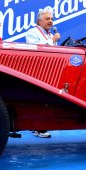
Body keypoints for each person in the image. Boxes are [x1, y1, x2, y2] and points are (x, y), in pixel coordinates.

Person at [25, 8, 60, 138]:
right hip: (37, 72)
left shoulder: (51, 35)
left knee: (47, 101)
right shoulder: (32, 32)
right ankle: (37, 127)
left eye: (51, 19)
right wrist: (53, 41)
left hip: (50, 72)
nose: (50, 21)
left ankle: (40, 125)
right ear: (39, 21)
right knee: (37, 100)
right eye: (47, 19)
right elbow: (35, 49)